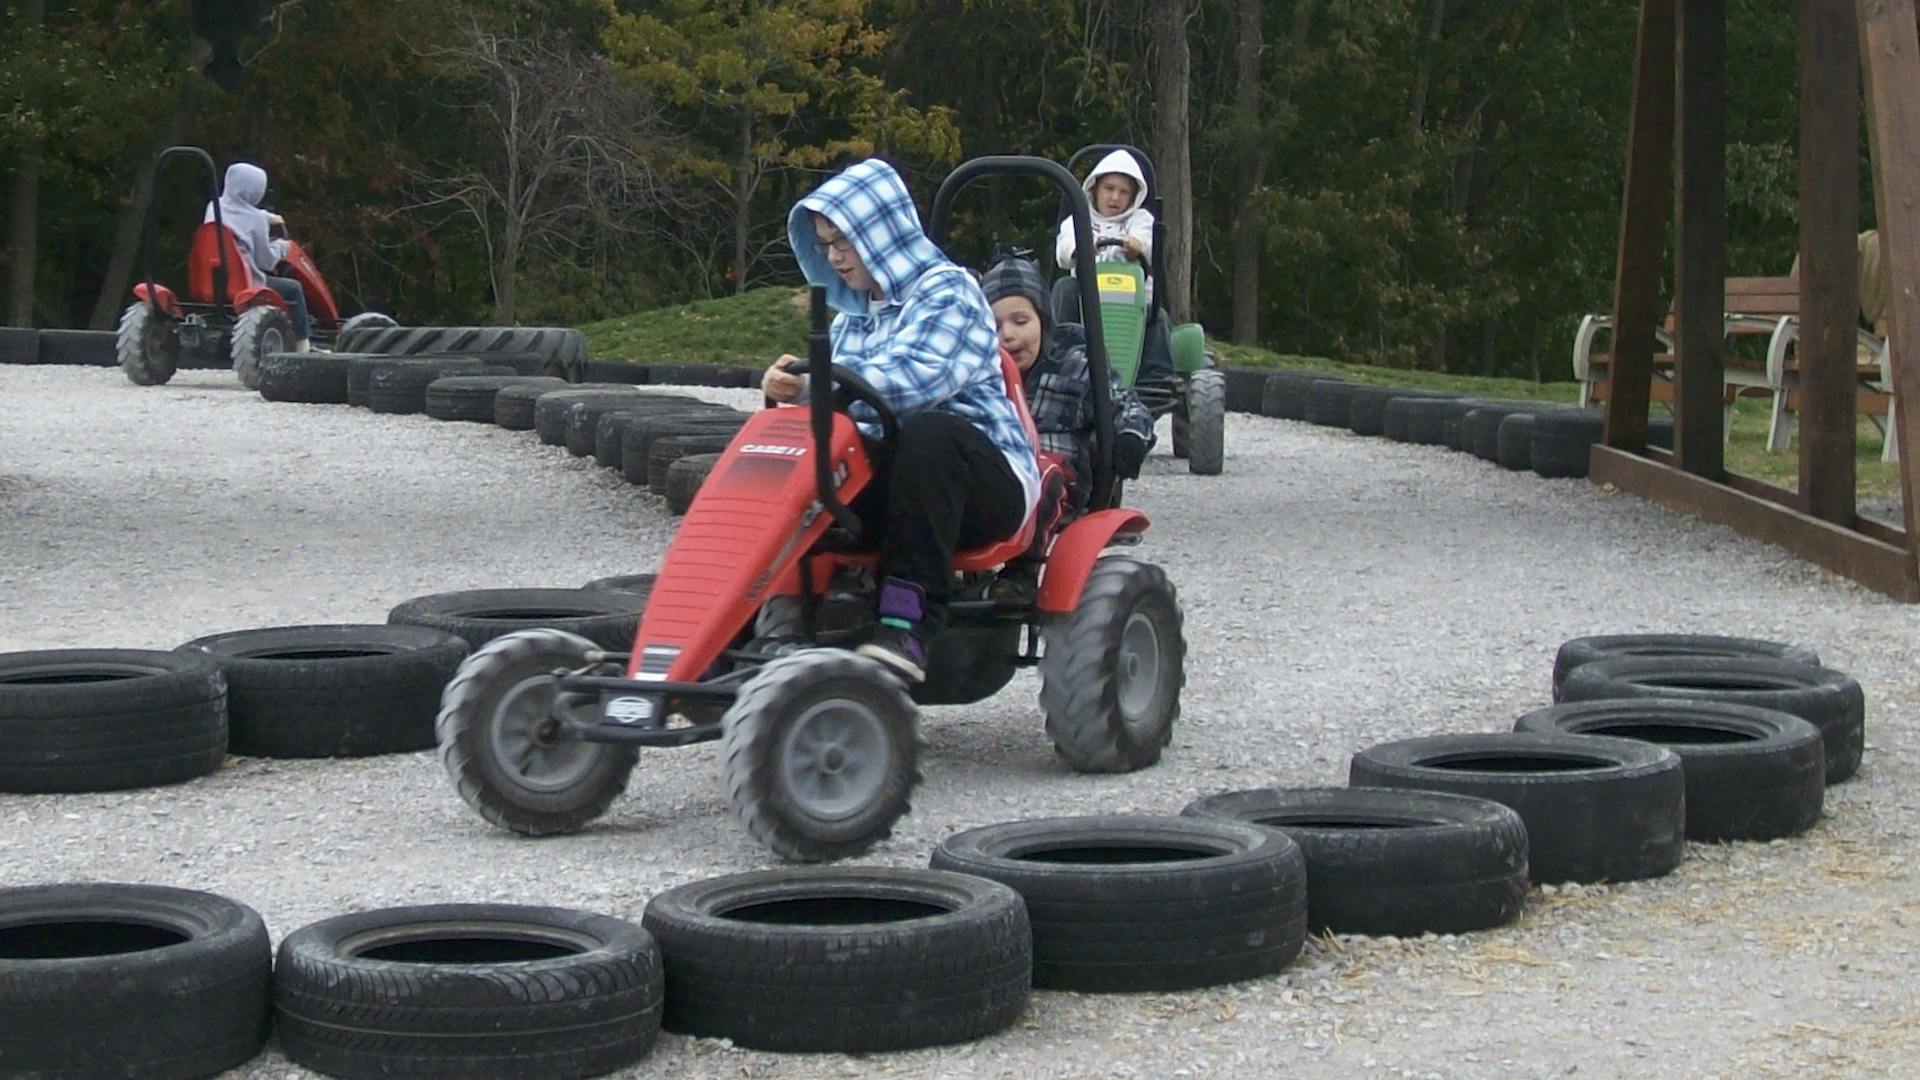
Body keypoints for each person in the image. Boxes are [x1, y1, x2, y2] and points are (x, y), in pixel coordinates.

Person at [764, 158, 1038, 683]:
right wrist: (792, 397)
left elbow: (913, 379)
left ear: (881, 232)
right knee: (802, 462)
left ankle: (904, 622)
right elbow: (839, 408)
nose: (835, 257)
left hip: (980, 482)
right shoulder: (850, 322)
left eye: (844, 240)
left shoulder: (949, 292)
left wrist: (814, 386)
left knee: (928, 433)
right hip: (902, 486)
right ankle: (774, 624)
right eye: (825, 244)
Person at [980, 249, 1155, 600]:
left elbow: (1125, 404)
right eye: (994, 325)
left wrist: (1130, 436)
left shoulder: (1074, 363)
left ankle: (1022, 573)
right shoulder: (981, 371)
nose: (1008, 335)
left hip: (1060, 479)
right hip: (999, 476)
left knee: (1044, 473)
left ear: (1043, 321)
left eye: (1020, 321)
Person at [1050, 149, 1173, 384]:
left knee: (1158, 315)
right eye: (1109, 189)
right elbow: (1064, 248)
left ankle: (1157, 376)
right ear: (1095, 188)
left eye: (1123, 192)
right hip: (1086, 298)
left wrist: (1138, 244)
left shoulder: (1140, 219)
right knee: (1064, 288)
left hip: (1133, 300)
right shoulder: (1079, 218)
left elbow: (1150, 242)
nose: (1115, 197)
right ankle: (1060, 358)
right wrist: (1080, 248)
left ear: (1134, 196)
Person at [205, 162, 311, 351]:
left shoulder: (213, 207)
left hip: (212, 281)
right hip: (245, 282)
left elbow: (240, 212)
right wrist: (281, 247)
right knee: (294, 289)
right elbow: (266, 262)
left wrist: (268, 216)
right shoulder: (257, 220)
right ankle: (302, 345)